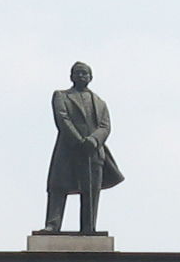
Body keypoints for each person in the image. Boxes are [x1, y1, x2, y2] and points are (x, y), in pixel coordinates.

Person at [43, 61, 123, 234]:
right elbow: (63, 119)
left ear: (91, 77)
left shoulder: (100, 102)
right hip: (68, 149)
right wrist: (79, 140)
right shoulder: (61, 96)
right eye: (77, 73)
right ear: (71, 76)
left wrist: (94, 141)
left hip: (93, 152)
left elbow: (105, 126)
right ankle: (53, 224)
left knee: (91, 191)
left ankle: (88, 227)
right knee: (58, 187)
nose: (81, 76)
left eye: (84, 73)